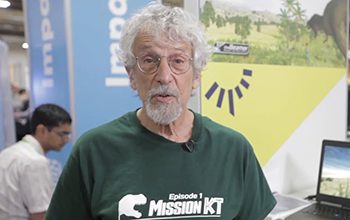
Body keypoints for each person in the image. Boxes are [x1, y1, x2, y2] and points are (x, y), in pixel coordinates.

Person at [44, 3, 276, 220]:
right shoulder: (94, 151)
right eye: (149, 60)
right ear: (132, 75)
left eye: (178, 61)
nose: (164, 76)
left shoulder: (233, 150)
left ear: (196, 76)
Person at [0, 104, 72, 220]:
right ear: (41, 130)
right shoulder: (35, 162)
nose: (67, 140)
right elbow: (41, 215)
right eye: (62, 134)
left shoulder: (7, 153)